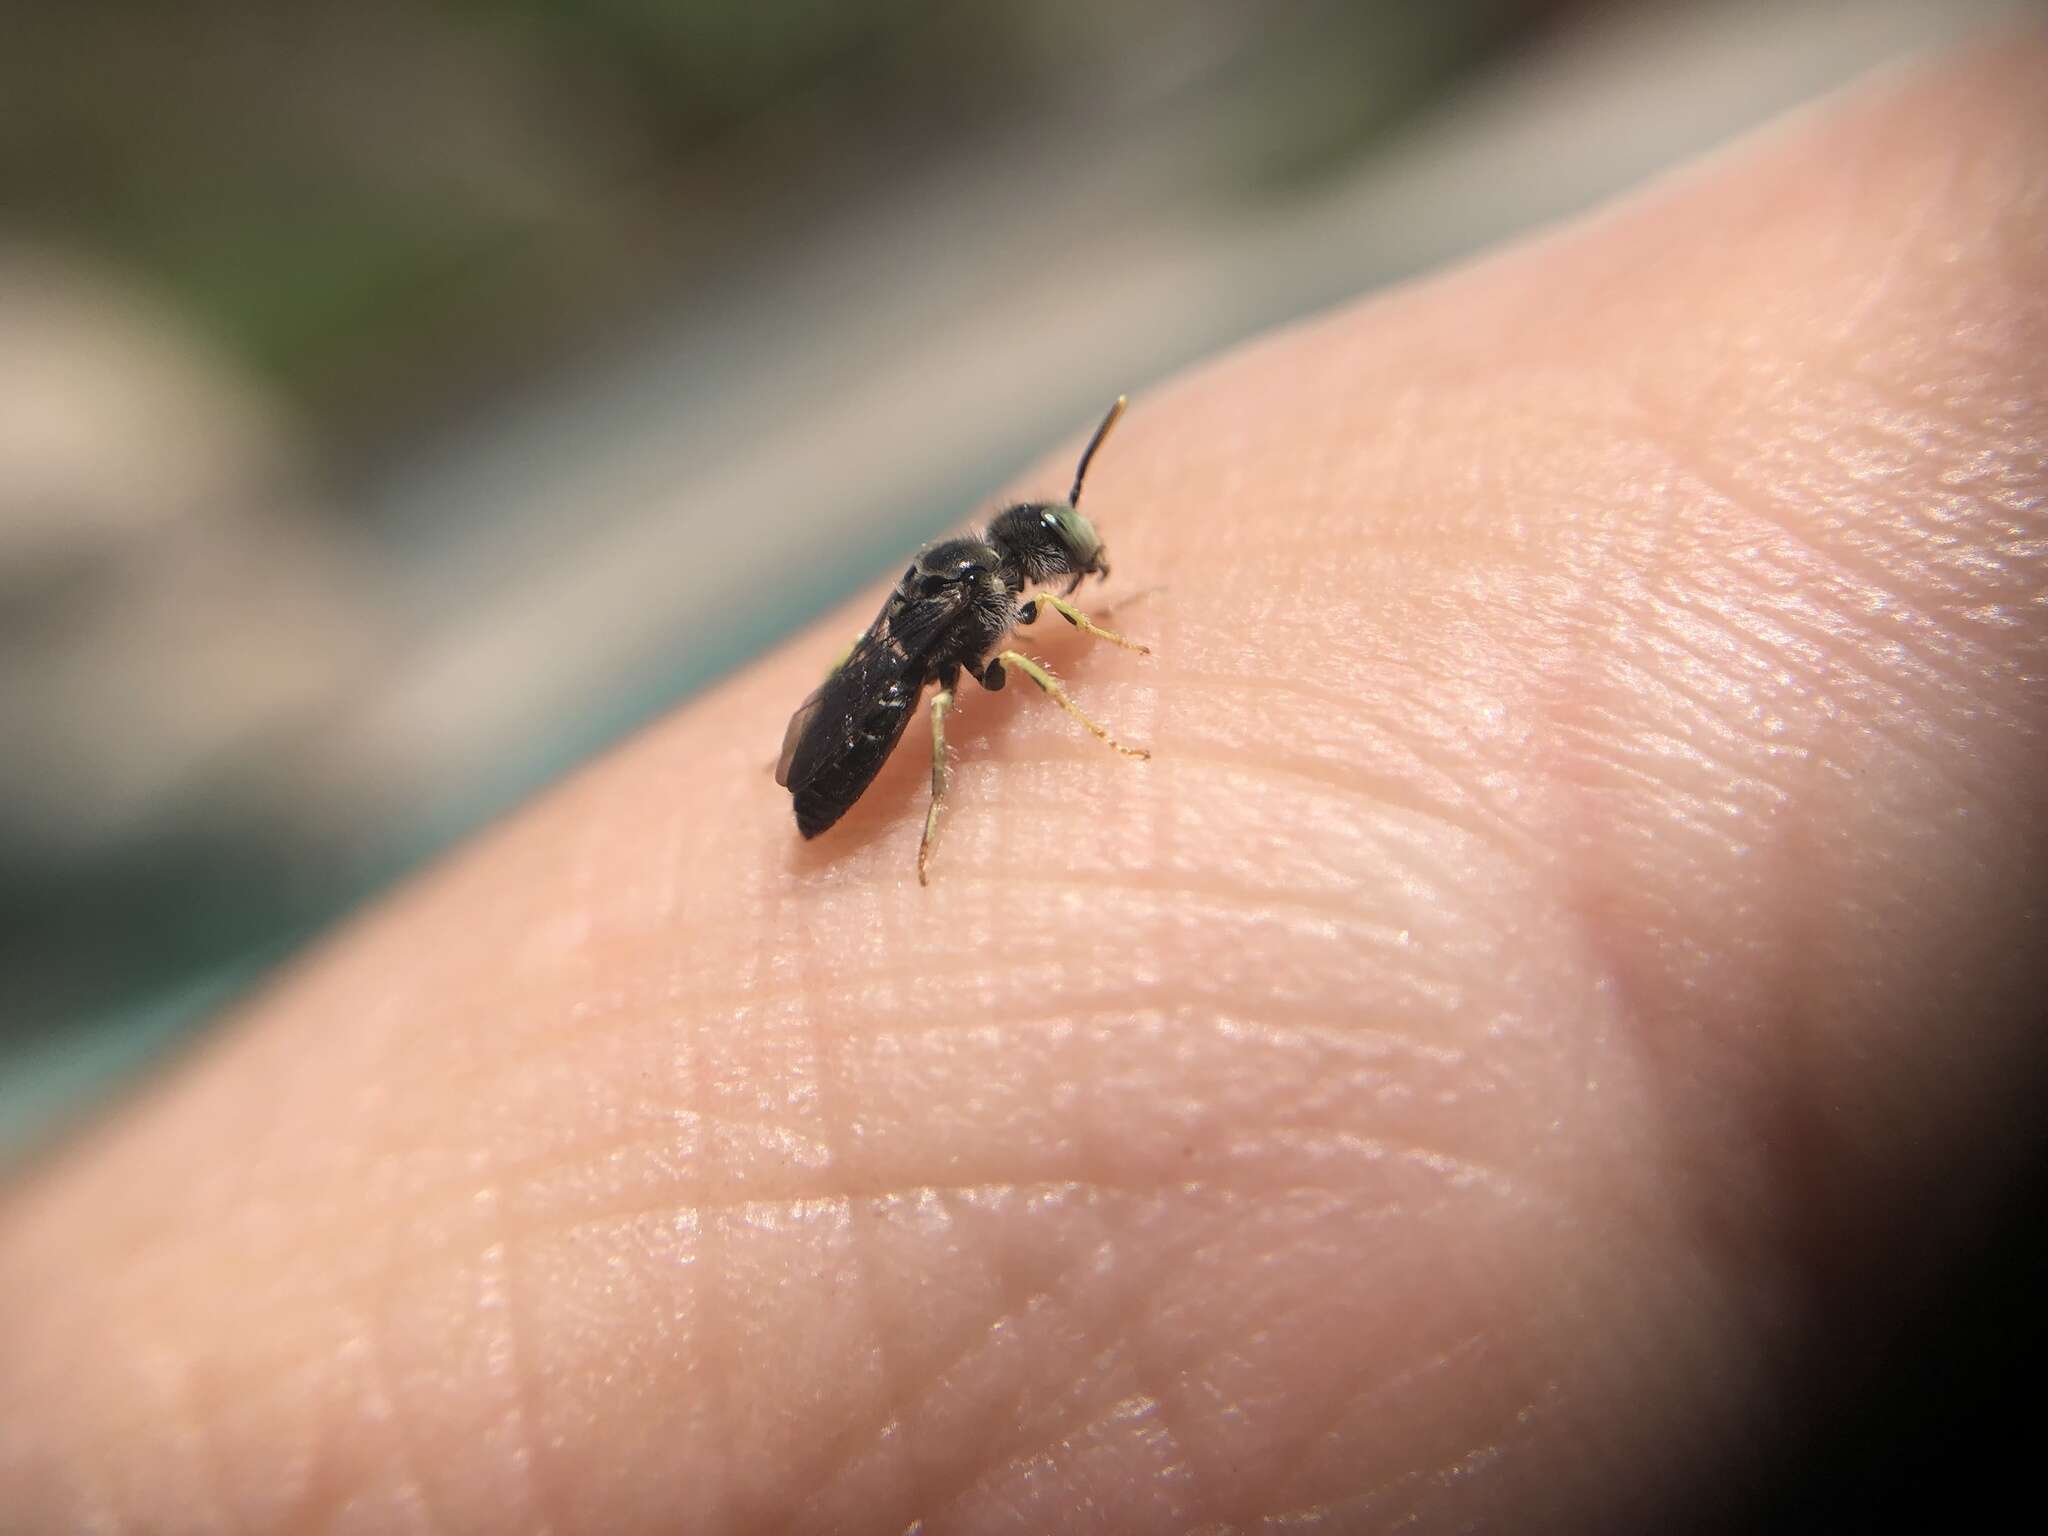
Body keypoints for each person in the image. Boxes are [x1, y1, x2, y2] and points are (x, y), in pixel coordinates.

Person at [2, 36, 2042, 1533]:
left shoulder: (982, 583)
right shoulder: (967, 626)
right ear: (1018, 571)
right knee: (963, 730)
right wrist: (1036, 729)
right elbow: (946, 687)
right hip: (845, 769)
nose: (1072, 579)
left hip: (823, 741)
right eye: (1060, 565)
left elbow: (987, 621)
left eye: (1059, 571)